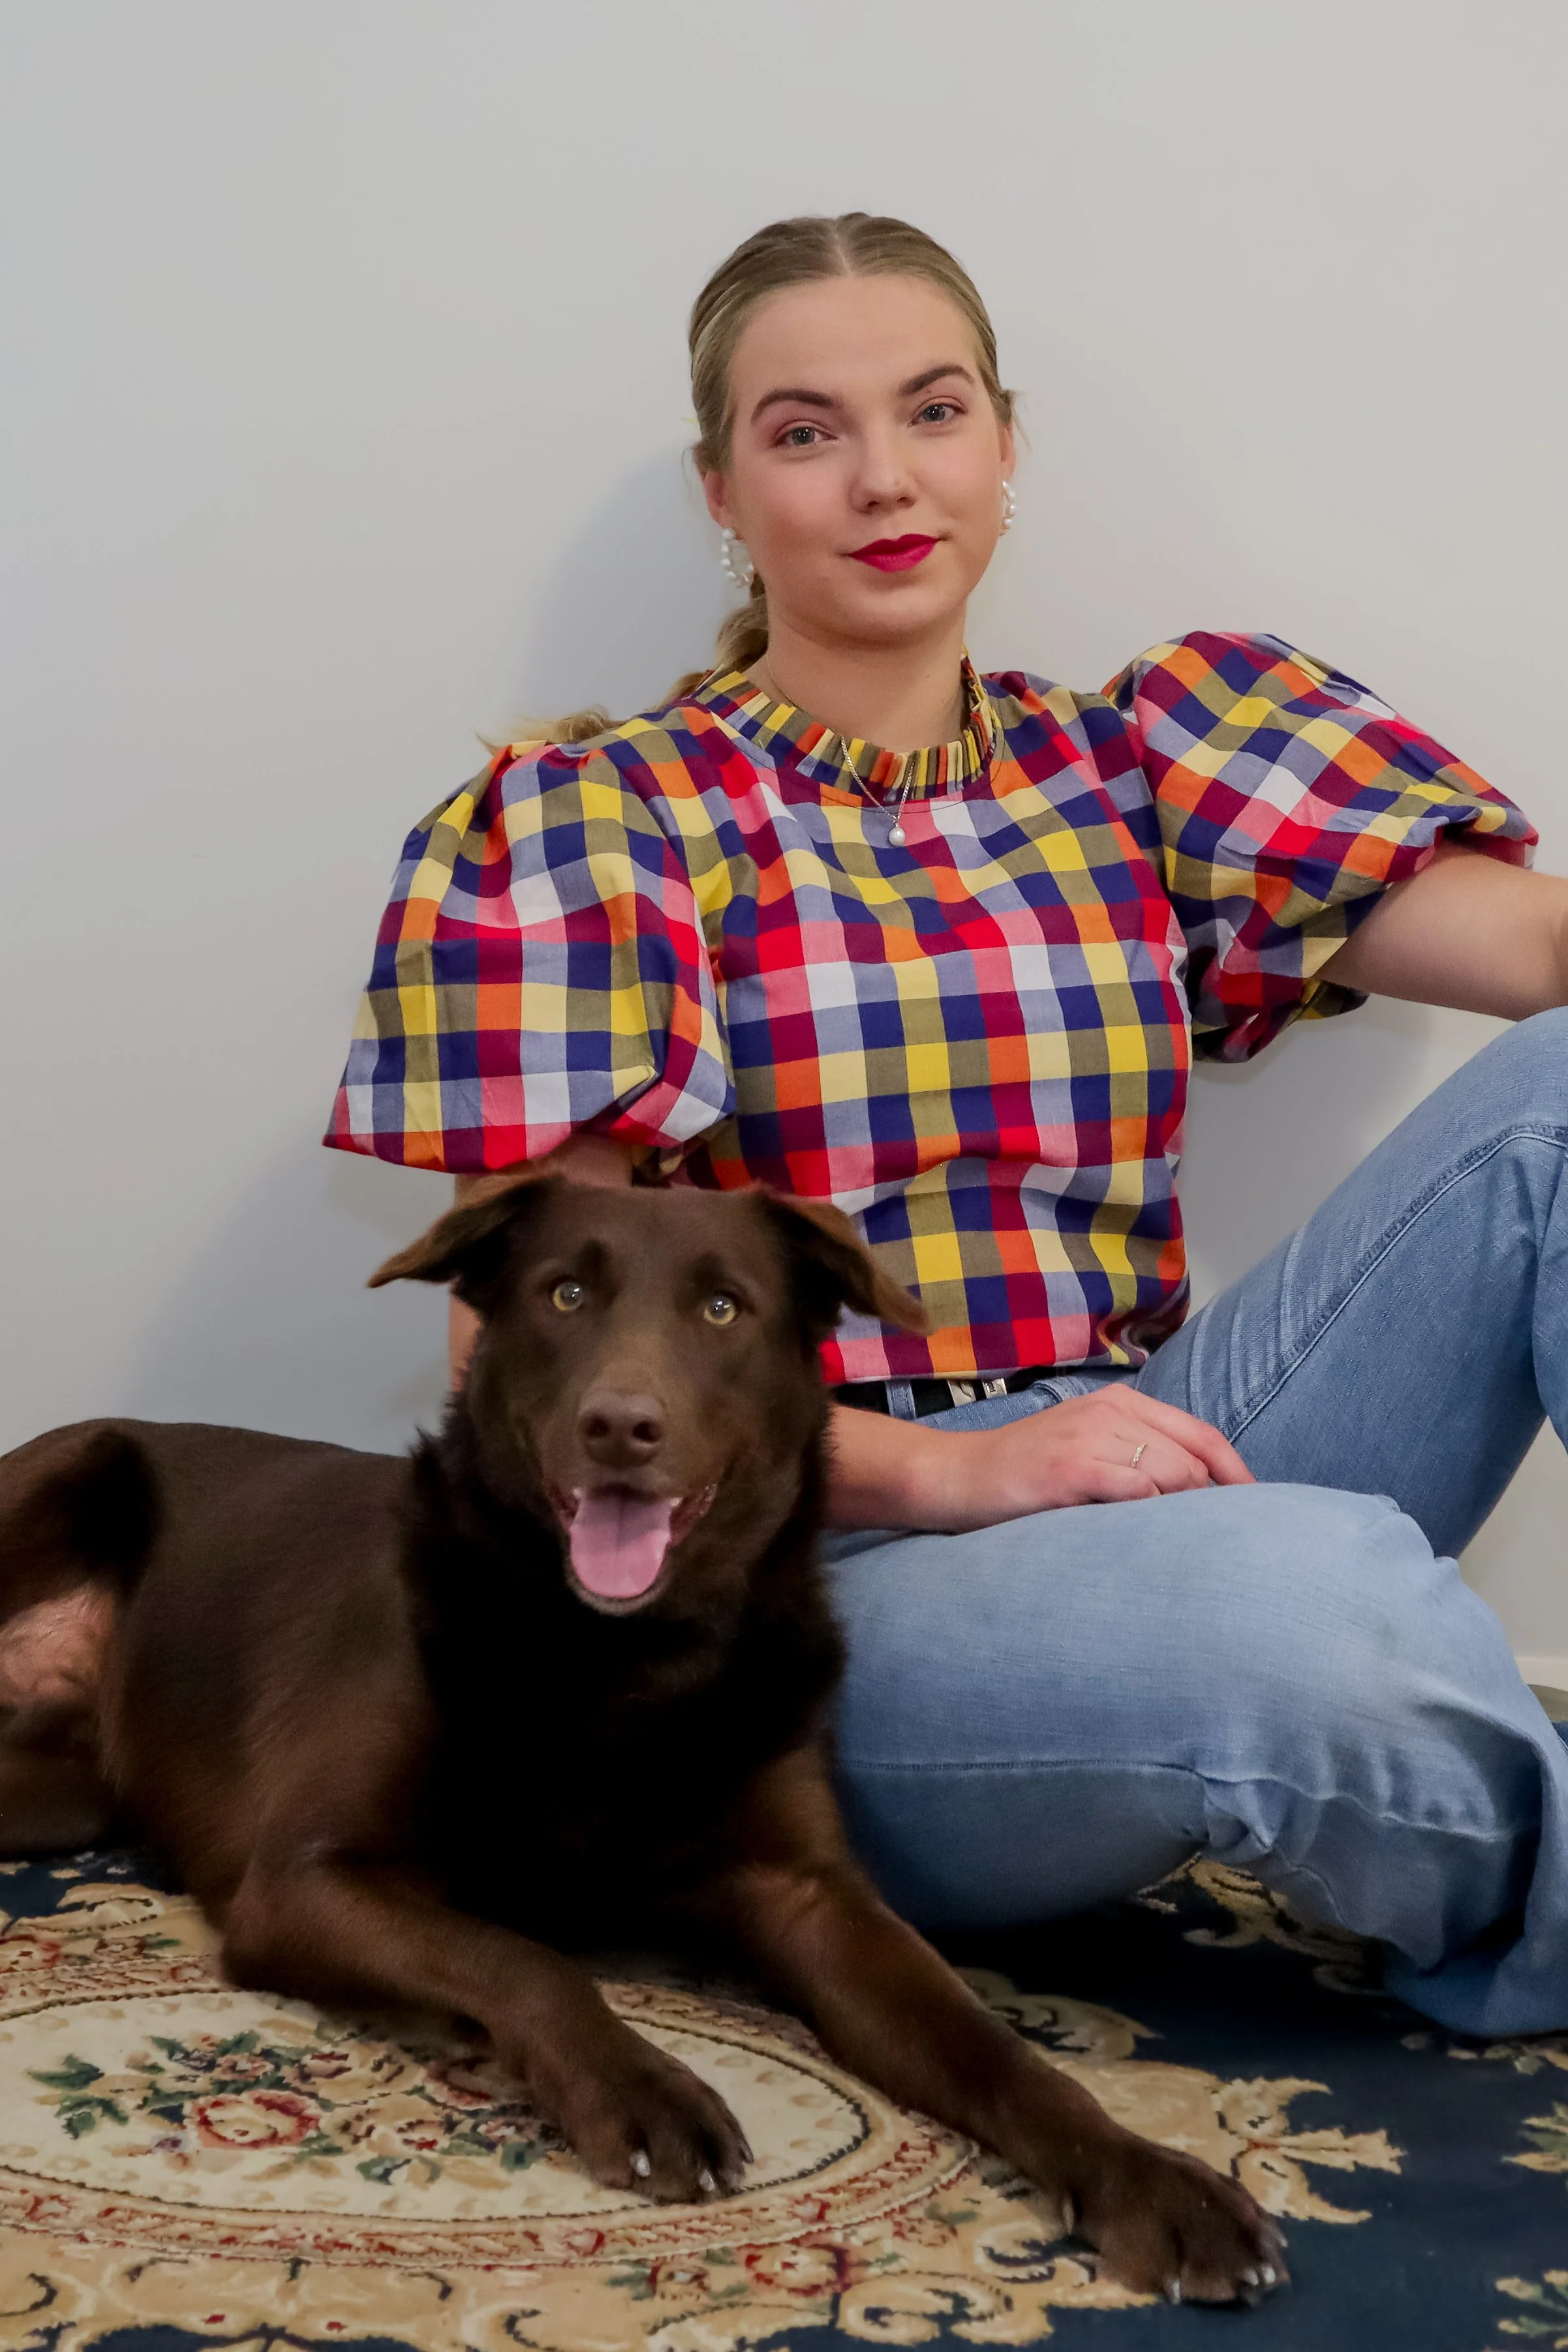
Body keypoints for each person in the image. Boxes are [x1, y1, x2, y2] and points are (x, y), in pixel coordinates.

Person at [328, 212, 1568, 2037]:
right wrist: (963, 1472)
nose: (885, 479)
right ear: (722, 493)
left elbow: (1541, 951)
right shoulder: (601, 821)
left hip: (1150, 1446)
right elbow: (517, 1344)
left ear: (1006, 443)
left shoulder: (1136, 755)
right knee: (1316, 1616)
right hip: (813, 1566)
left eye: (933, 410)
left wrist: (1065, 1456)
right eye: (806, 430)